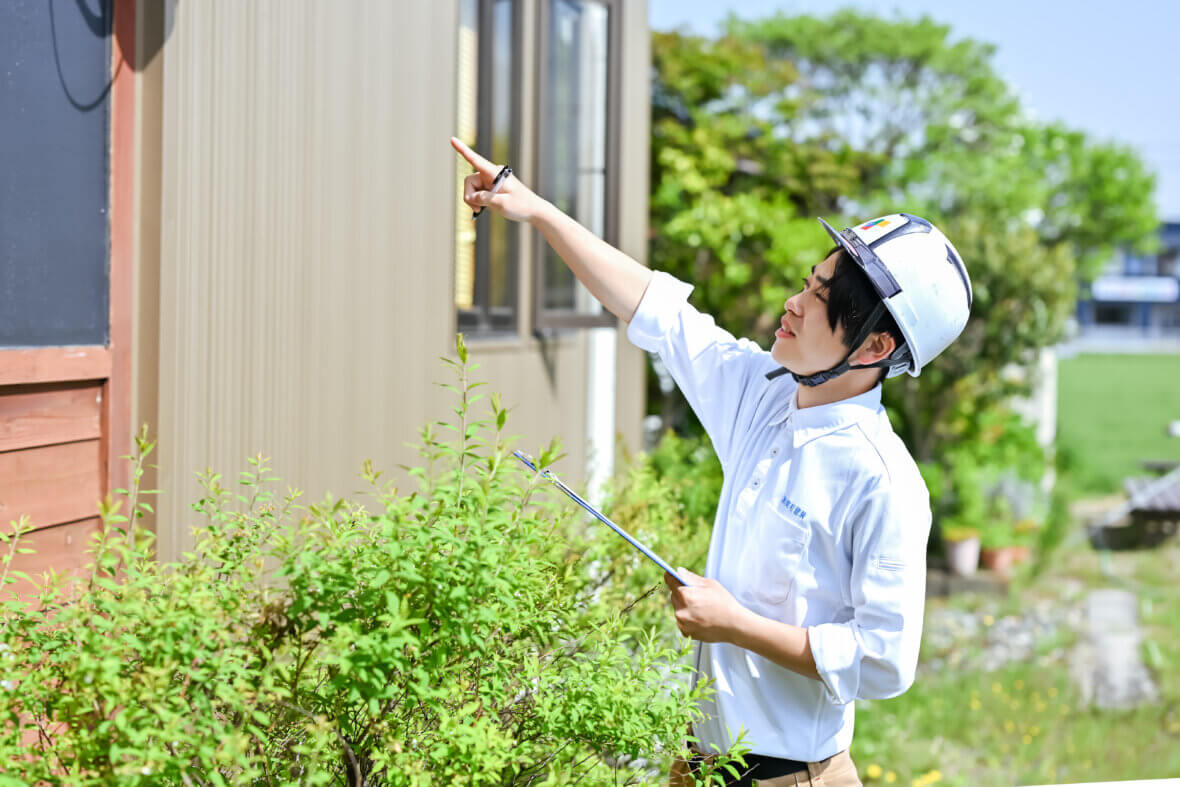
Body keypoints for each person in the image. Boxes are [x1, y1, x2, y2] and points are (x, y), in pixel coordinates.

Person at [450, 136, 972, 787]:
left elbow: (886, 660)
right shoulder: (763, 394)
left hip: (793, 778)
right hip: (697, 765)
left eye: (820, 299)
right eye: (807, 283)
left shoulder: (883, 480)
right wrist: (533, 209)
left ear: (876, 346)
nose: (793, 302)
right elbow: (657, 311)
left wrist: (737, 625)